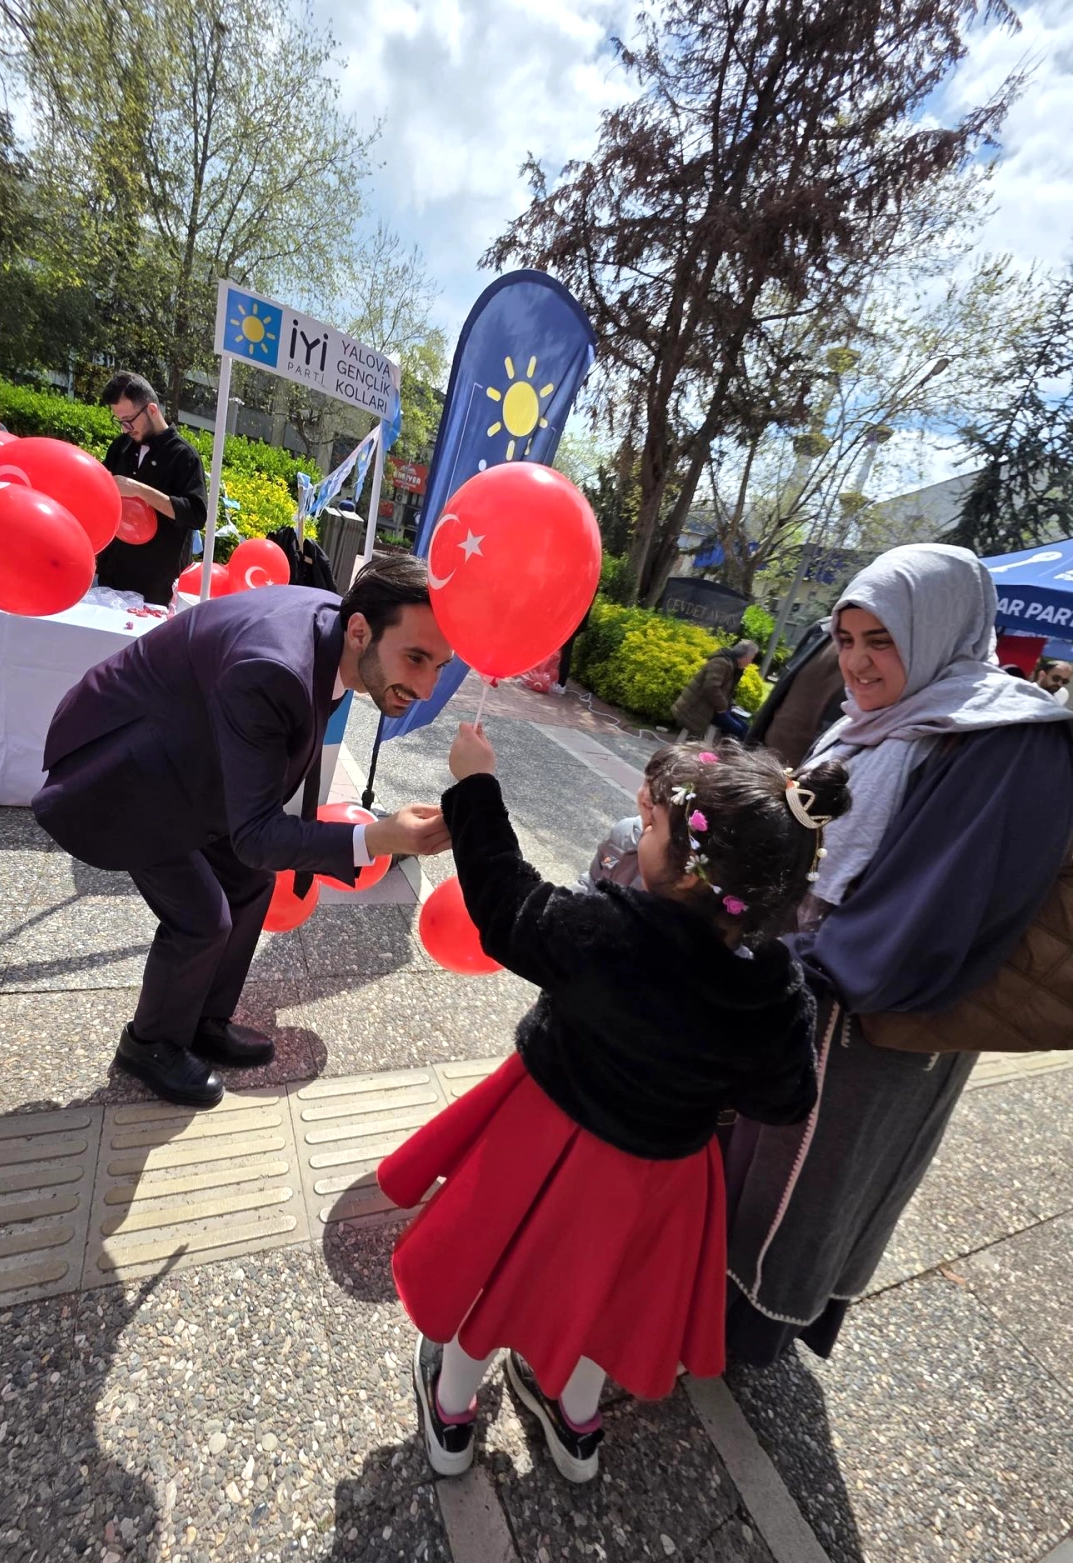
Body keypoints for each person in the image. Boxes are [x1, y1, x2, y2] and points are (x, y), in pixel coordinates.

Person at [378, 731, 850, 1482]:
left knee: (496, 1269)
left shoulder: (608, 930)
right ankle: (577, 1425)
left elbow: (504, 903)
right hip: (665, 1176)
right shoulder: (773, 987)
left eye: (657, 824)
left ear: (695, 869)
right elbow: (787, 1096)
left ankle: (454, 1410)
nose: (641, 825)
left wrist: (475, 787)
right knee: (610, 1292)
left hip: (547, 1142)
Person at [726, 544, 1073, 1365]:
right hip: (816, 974)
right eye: (847, 639)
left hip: (872, 1004)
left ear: (939, 628)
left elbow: (940, 902)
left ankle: (746, 1333)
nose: (857, 662)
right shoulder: (875, 719)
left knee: (805, 1180)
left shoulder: (1003, 736)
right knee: (759, 1152)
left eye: (881, 640)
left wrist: (803, 965)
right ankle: (713, 1303)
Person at [33, 554, 453, 1109]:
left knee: (252, 882)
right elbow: (255, 832)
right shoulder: (274, 666)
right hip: (125, 775)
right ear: (359, 631)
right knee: (203, 918)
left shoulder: (341, 631)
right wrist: (377, 838)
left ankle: (203, 1020)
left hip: (194, 756)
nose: (425, 687)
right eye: (416, 658)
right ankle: (149, 1043)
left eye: (439, 665)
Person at [96, 372, 207, 605]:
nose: (125, 428)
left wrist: (140, 490)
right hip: (111, 576)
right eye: (119, 421)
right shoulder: (121, 446)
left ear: (152, 410)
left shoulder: (184, 456)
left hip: (156, 586)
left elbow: (196, 515)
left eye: (129, 420)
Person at [746, 623, 846, 767]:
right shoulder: (822, 629)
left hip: (799, 775)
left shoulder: (882, 652)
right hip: (762, 755)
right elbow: (781, 690)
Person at [670, 640, 758, 740]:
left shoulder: (732, 665)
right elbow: (711, 688)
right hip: (697, 709)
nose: (750, 662)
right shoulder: (721, 663)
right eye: (750, 659)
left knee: (745, 728)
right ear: (744, 656)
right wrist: (722, 707)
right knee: (739, 731)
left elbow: (724, 691)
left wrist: (731, 705)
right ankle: (726, 754)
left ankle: (723, 752)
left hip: (711, 707)